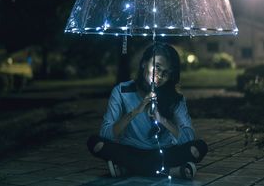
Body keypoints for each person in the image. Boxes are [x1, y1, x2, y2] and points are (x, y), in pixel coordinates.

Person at [87, 42, 208, 179]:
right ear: (144, 63)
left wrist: (162, 120)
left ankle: (128, 168)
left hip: (164, 151)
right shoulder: (122, 91)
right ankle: (170, 171)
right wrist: (136, 111)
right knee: (96, 143)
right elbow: (106, 133)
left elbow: (188, 137)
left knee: (198, 148)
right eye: (157, 67)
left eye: (166, 73)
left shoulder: (175, 98)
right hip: (131, 150)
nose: (160, 75)